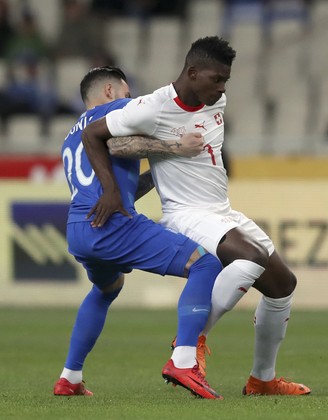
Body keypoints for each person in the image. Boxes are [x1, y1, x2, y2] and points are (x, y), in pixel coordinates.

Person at [82, 36, 311, 396]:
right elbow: (98, 136)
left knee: (283, 285)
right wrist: (114, 187)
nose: (222, 88)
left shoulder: (214, 99)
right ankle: (190, 343)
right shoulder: (152, 107)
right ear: (192, 72)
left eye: (226, 80)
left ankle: (261, 380)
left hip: (220, 210)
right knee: (249, 260)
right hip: (185, 213)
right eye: (216, 79)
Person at [53, 66, 223, 399]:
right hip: (112, 225)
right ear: (109, 92)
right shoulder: (115, 111)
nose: (130, 101)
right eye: (127, 94)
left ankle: (69, 376)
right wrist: (177, 146)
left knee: (107, 288)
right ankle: (184, 361)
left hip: (79, 227)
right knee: (204, 264)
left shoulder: (70, 136)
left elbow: (116, 181)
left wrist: (158, 179)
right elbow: (123, 148)